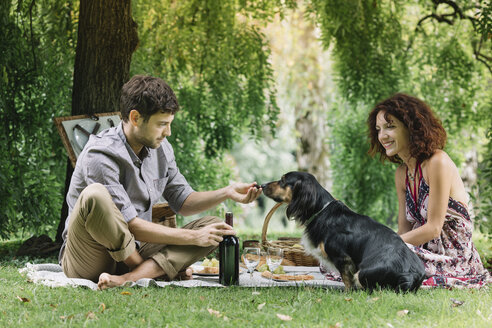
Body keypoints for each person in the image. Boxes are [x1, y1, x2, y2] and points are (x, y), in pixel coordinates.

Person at [59, 75, 262, 290]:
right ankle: (146, 273)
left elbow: (184, 202)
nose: (168, 132)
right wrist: (193, 237)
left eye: (169, 124)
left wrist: (227, 192)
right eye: (162, 124)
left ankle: (132, 276)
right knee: (95, 195)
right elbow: (130, 225)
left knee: (214, 227)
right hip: (90, 256)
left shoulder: (161, 148)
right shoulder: (99, 154)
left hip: (137, 247)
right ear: (135, 118)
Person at [367, 93, 490, 288]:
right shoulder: (402, 173)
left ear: (411, 127)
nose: (382, 136)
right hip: (420, 252)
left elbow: (433, 228)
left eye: (390, 126)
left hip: (452, 259)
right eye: (379, 129)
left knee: (375, 263)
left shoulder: (437, 162)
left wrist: (383, 244)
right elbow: (404, 230)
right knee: (354, 259)